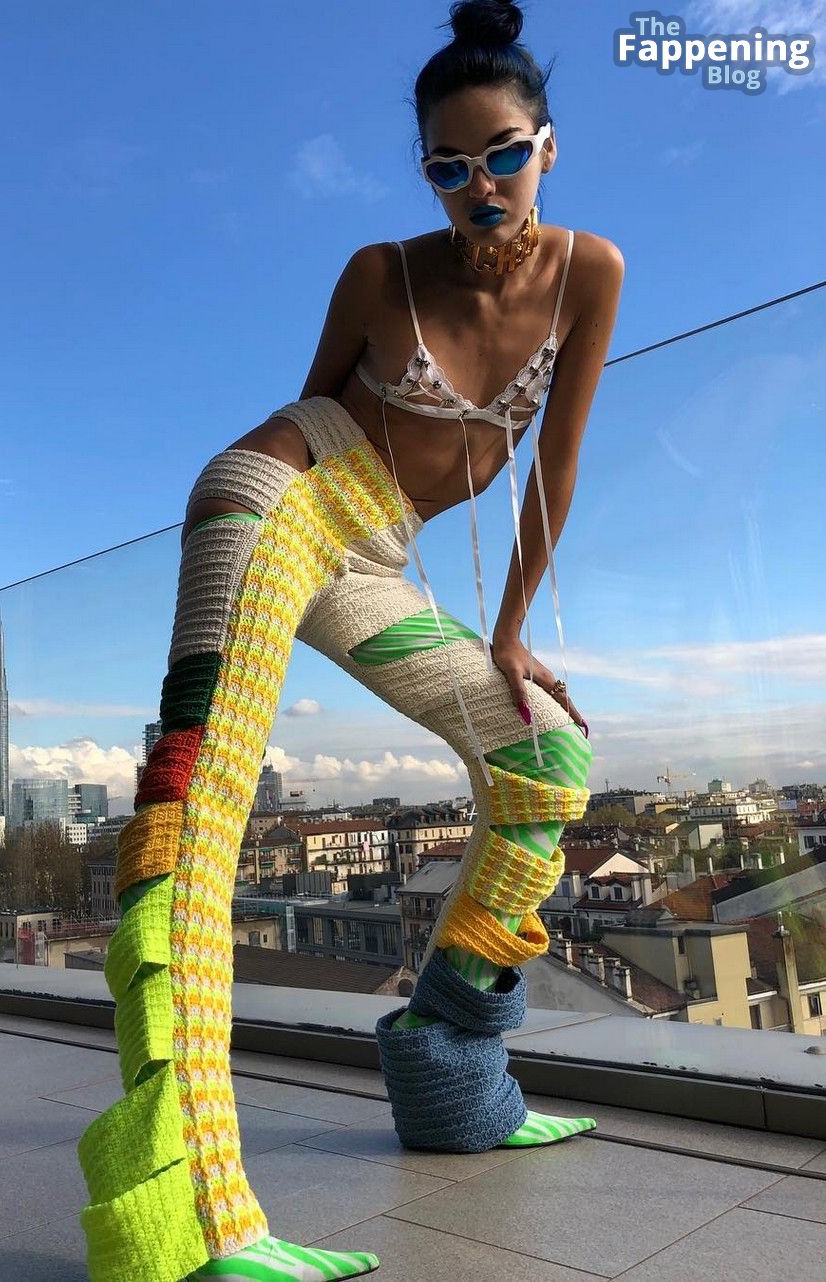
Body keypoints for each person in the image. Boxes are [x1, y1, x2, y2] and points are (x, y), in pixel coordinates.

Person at [76, 2, 625, 1279]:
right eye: (448, 165)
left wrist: (509, 633)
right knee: (196, 823)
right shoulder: (383, 272)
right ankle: (193, 1230)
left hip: (373, 556)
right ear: (424, 171)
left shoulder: (589, 273)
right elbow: (314, 407)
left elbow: (556, 467)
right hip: (280, 507)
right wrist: (251, 541)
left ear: (547, 145)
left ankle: (449, 1073)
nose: (479, 185)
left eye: (503, 155)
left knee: (545, 762)